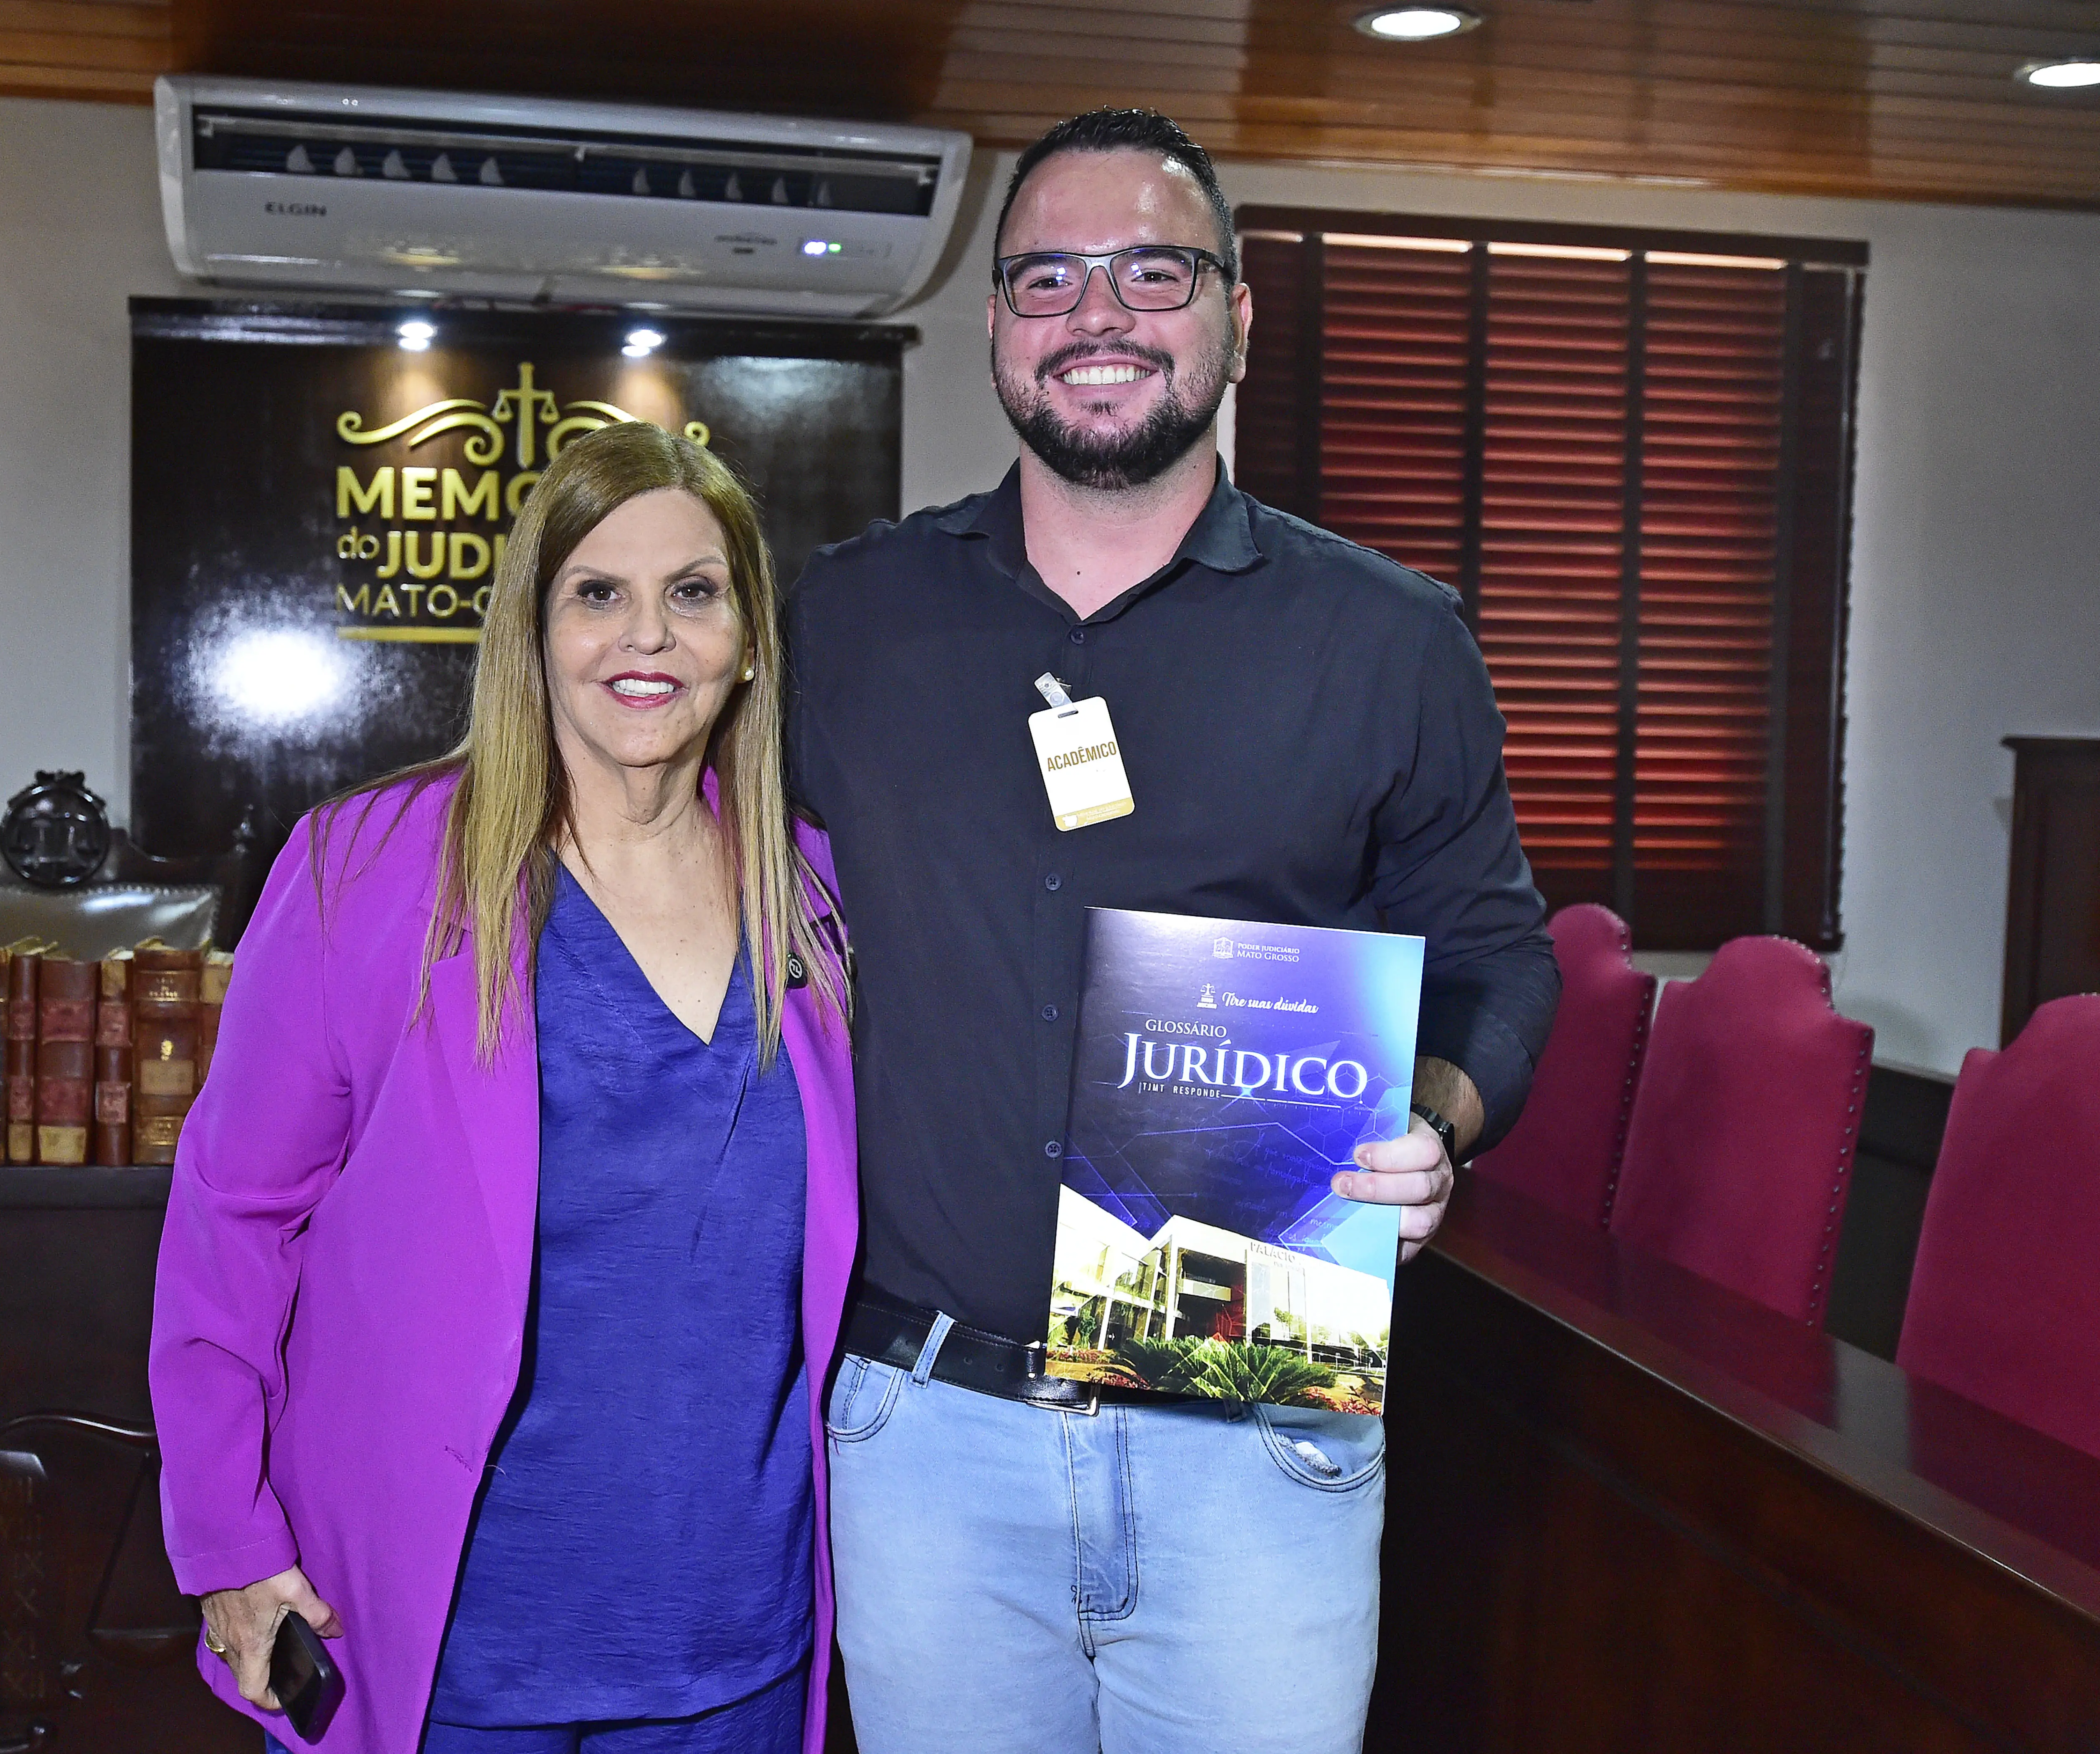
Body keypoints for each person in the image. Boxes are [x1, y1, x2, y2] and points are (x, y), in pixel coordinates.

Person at [786, 109, 1560, 1754]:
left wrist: (1436, 1116)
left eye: (1154, 270)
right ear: (995, 324)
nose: (1099, 317)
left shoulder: (1390, 641)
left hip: (1255, 1426)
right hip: (924, 1437)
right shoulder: (847, 623)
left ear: (1236, 316)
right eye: (1048, 279)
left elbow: (1502, 962)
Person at [150, 421, 857, 1754]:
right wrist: (226, 1542)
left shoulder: (811, 891)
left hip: (736, 1647)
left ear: (750, 638)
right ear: (532, 632)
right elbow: (232, 1221)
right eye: (596, 593)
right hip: (450, 1643)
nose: (644, 637)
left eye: (692, 594)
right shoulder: (361, 871)